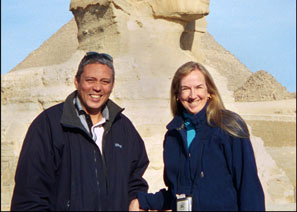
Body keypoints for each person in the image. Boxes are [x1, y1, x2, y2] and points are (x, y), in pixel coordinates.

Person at [10, 52, 149, 211]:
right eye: (90, 80)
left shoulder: (124, 128)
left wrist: (136, 200)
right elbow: (29, 195)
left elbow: (135, 181)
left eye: (105, 81)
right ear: (77, 81)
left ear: (112, 85)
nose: (97, 87)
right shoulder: (49, 125)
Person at [131, 61, 265, 211]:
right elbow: (176, 193)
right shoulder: (173, 136)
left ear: (209, 92)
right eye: (186, 89)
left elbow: (249, 187)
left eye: (199, 87)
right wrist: (143, 201)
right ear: (177, 95)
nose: (193, 95)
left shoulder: (228, 126)